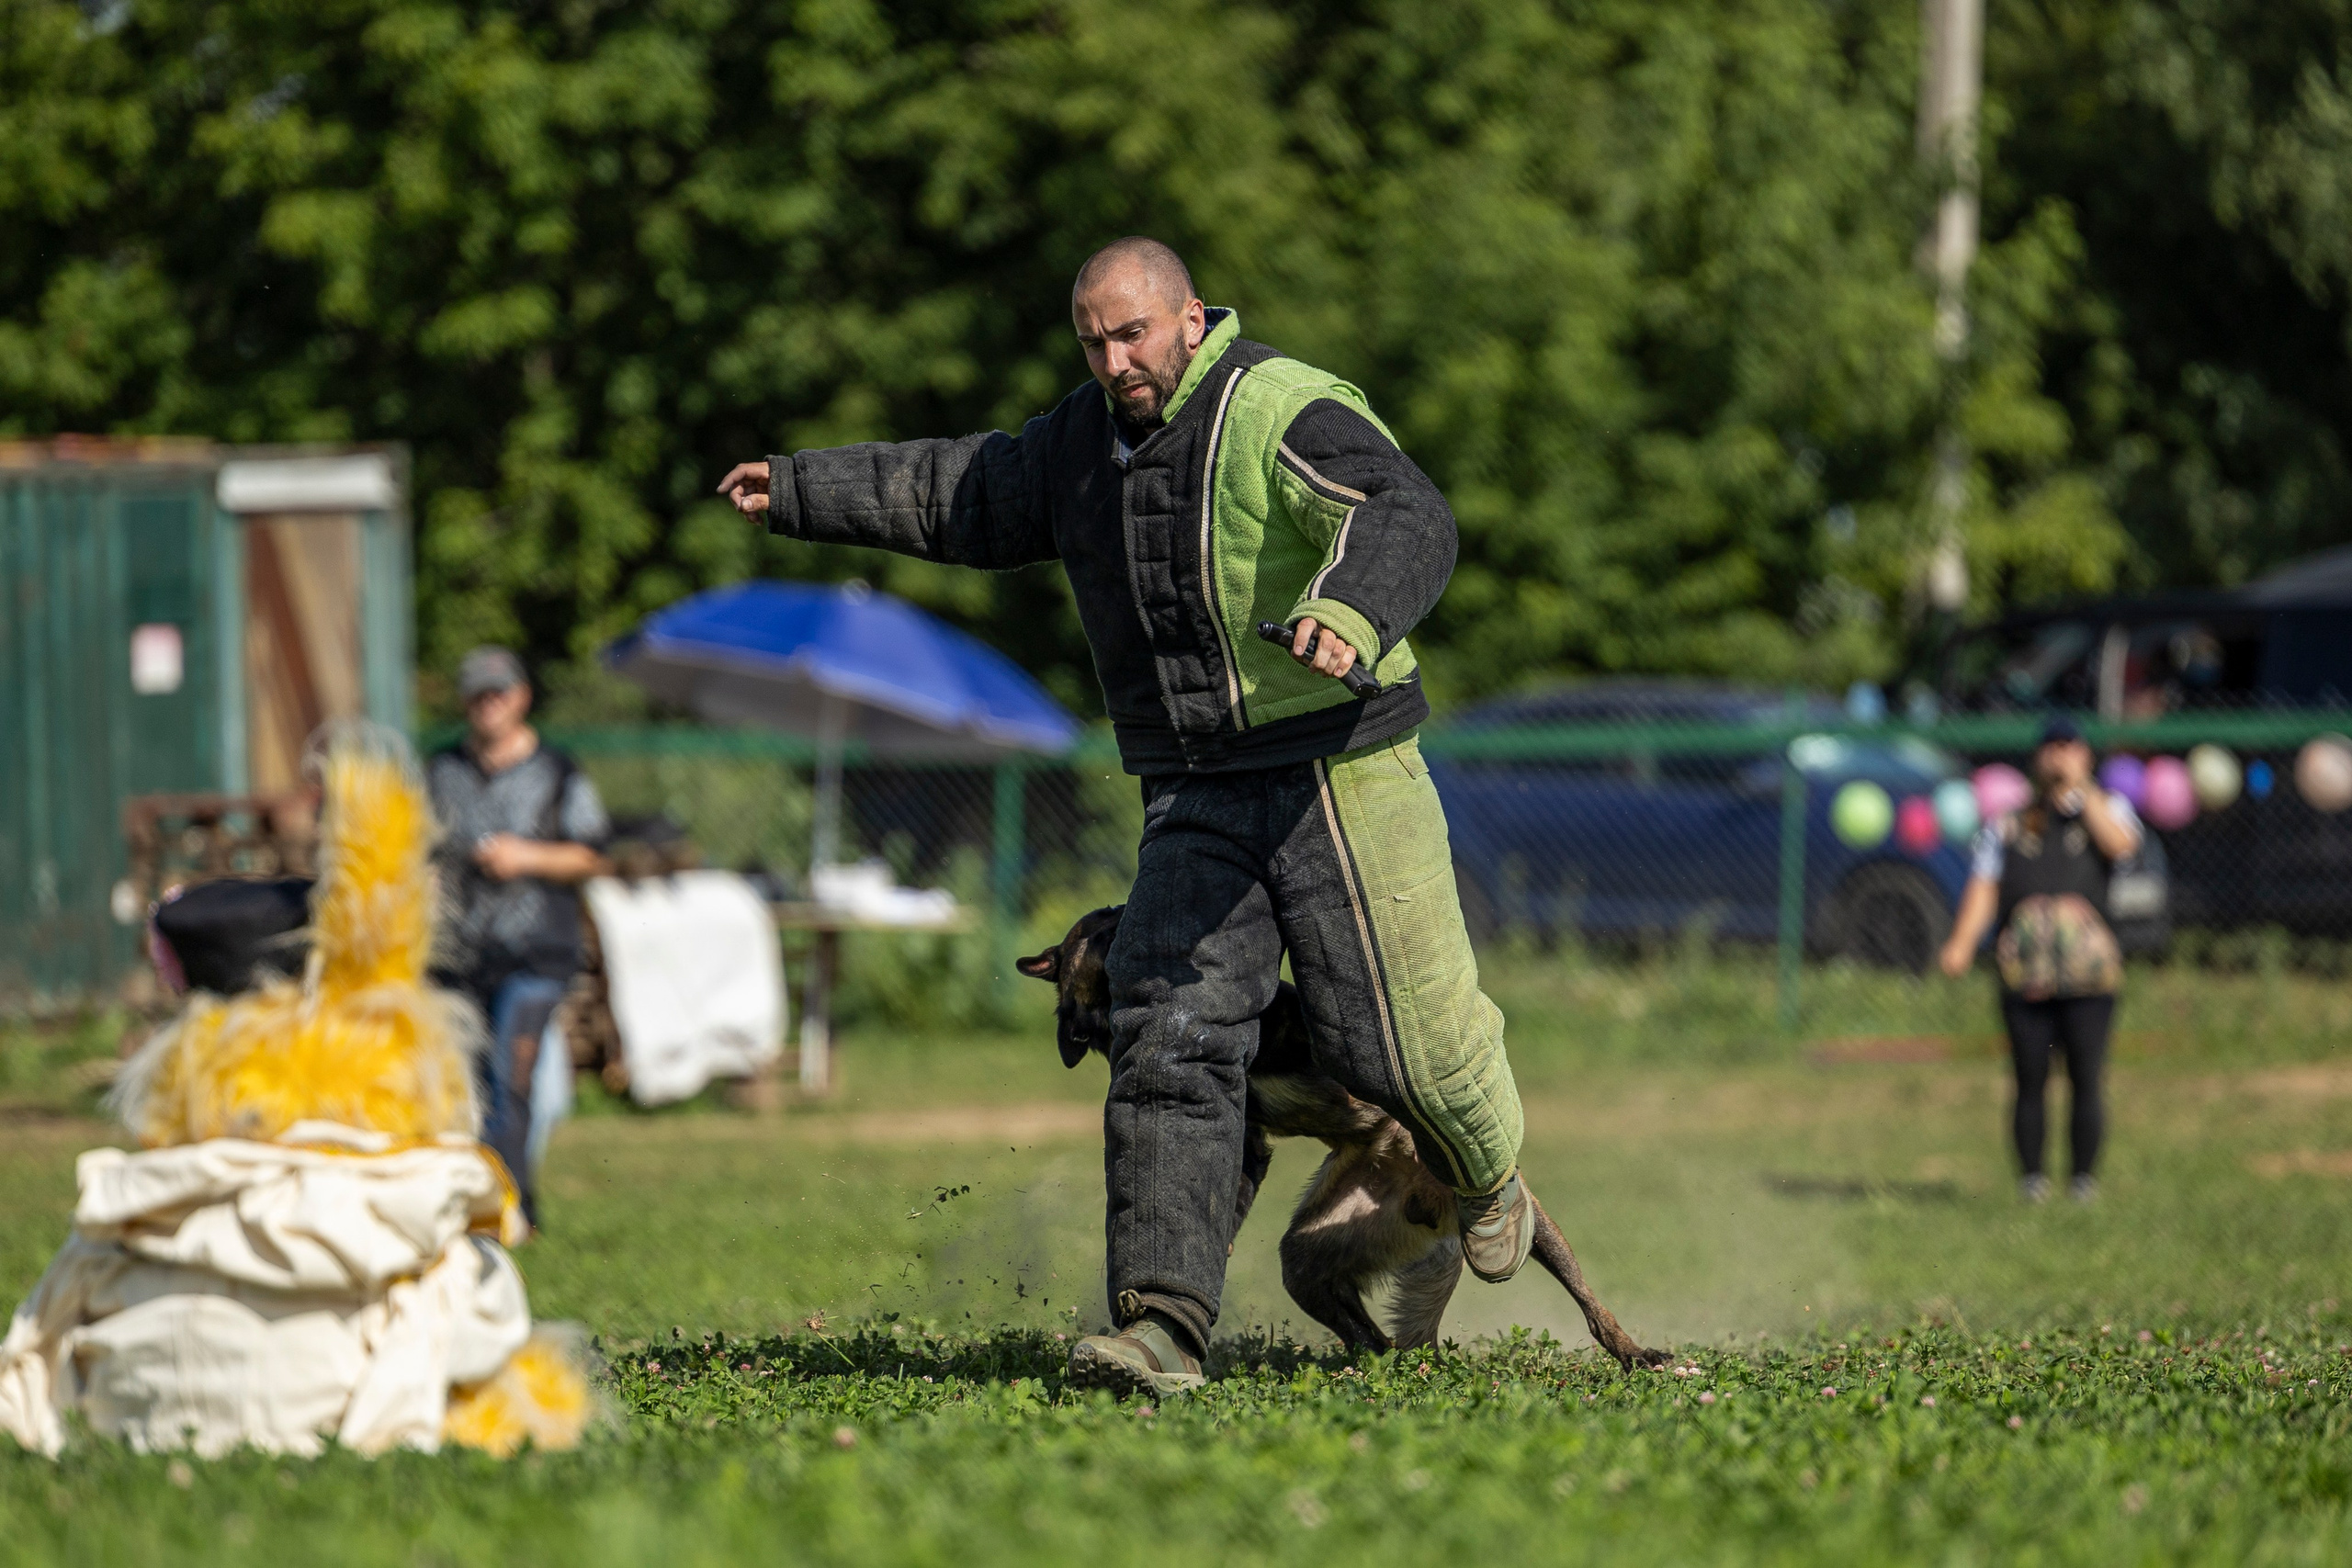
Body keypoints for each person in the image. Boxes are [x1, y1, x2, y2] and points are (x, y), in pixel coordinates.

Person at [718, 237, 1529, 1393]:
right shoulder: (1078, 446)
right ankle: (1162, 1326)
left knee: (1394, 1046)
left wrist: (1348, 611)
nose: (1114, 360)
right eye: (1093, 341)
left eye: (1132, 333)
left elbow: (1405, 511)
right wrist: (800, 489)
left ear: (1191, 319)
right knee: (1167, 1030)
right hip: (1195, 785)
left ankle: (1489, 1174)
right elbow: (962, 490)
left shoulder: (1277, 407)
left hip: (1336, 765)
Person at [426, 647, 611, 1224]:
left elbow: (594, 856)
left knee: (513, 1078)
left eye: (498, 693)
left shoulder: (558, 773)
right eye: (478, 695)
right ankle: (479, 1201)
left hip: (536, 952)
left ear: (521, 696)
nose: (489, 705)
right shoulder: (440, 772)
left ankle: (515, 1209)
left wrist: (525, 855)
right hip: (460, 955)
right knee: (470, 1085)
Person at [1939, 716, 2143, 1203]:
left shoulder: (2108, 810)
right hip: (2025, 972)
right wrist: (1961, 943)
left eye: (2069, 747)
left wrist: (2082, 791)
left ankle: (2083, 1181)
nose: (2059, 756)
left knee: (2086, 1076)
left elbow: (2121, 846)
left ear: (2086, 755)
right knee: (2029, 1076)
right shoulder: (2009, 823)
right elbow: (1984, 888)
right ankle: (2032, 1180)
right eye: (2051, 747)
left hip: (2089, 976)